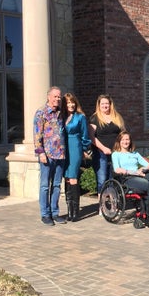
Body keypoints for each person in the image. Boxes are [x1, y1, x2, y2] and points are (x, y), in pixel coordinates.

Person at [111, 131, 149, 226]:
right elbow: (117, 169)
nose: (125, 141)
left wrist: (141, 169)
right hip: (128, 178)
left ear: (130, 141)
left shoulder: (135, 153)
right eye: (123, 139)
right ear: (119, 141)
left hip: (139, 175)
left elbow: (148, 165)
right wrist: (135, 172)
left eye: (127, 139)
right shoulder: (116, 154)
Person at [33, 86, 67, 226]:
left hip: (60, 154)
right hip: (47, 155)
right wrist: (40, 152)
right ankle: (45, 214)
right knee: (45, 186)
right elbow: (37, 135)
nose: (57, 99)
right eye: (55, 96)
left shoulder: (60, 113)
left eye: (59, 97)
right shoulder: (41, 113)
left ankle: (55, 212)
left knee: (57, 185)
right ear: (48, 97)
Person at [62, 93, 91, 221]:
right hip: (63, 149)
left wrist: (85, 150)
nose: (71, 105)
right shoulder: (62, 117)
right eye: (68, 102)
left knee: (73, 177)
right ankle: (69, 210)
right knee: (67, 178)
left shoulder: (80, 117)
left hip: (75, 147)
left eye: (72, 102)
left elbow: (85, 135)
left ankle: (75, 211)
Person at [90, 94, 125, 194]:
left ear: (110, 104)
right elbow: (92, 137)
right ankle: (102, 207)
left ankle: (113, 205)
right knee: (102, 180)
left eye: (107, 103)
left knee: (114, 178)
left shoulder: (117, 117)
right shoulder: (94, 118)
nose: (105, 106)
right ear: (99, 105)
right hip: (100, 153)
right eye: (103, 104)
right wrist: (104, 148)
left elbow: (123, 134)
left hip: (116, 153)